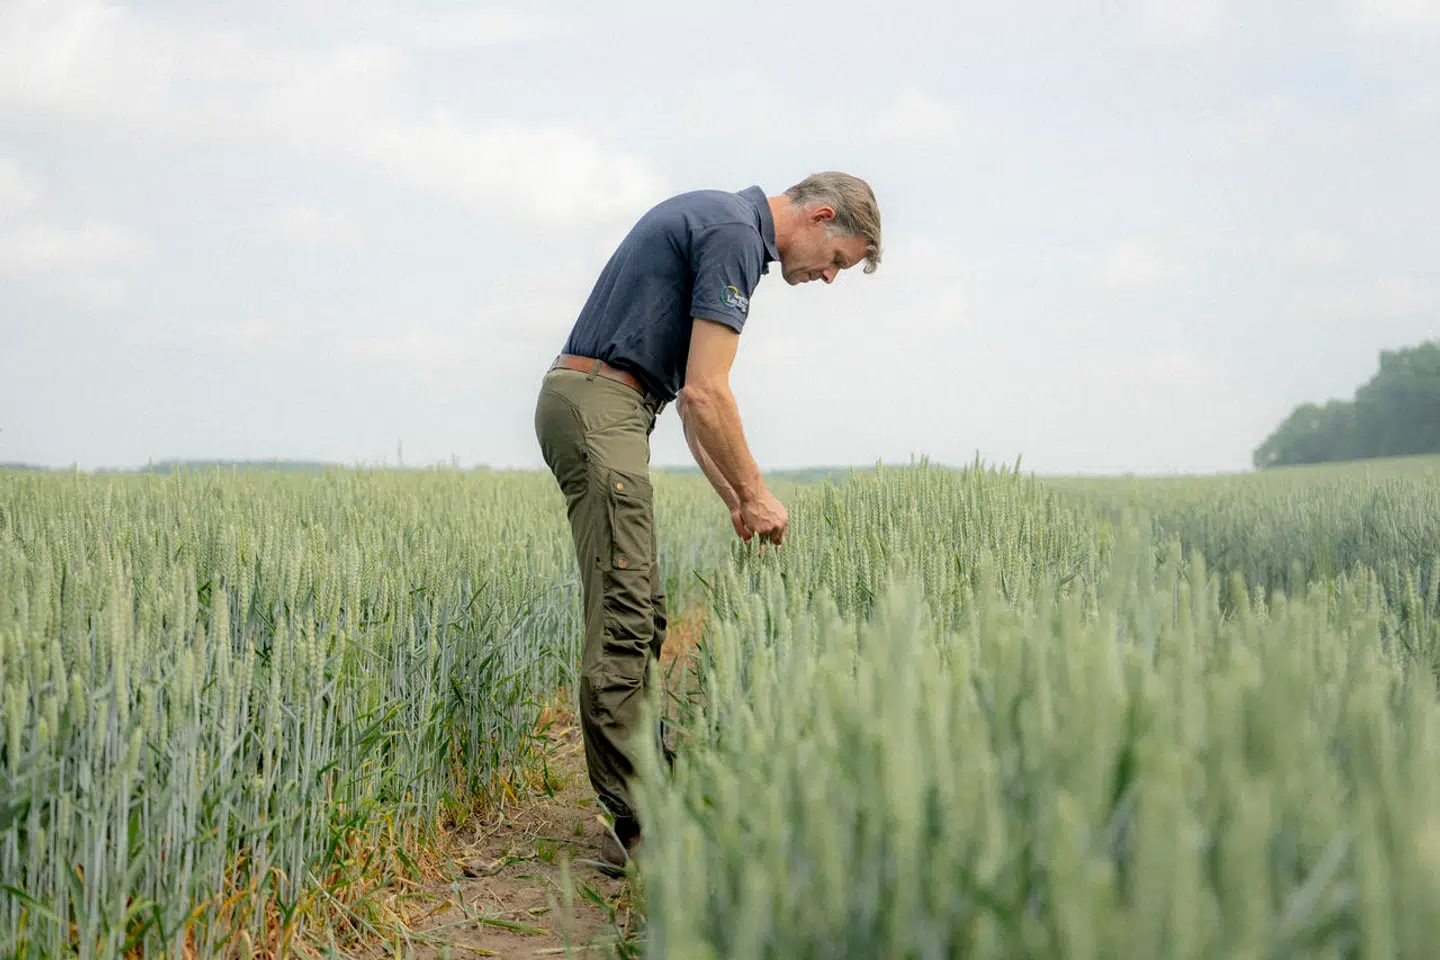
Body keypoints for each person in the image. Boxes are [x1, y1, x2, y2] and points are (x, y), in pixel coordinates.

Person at [532, 171, 883, 874]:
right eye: (838, 261)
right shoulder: (732, 236)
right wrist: (757, 494)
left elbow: (689, 401)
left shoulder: (726, 225)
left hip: (611, 403)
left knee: (645, 611)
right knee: (626, 617)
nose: (828, 279)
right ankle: (641, 831)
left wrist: (731, 495)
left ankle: (655, 798)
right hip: (602, 406)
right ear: (819, 217)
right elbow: (707, 390)